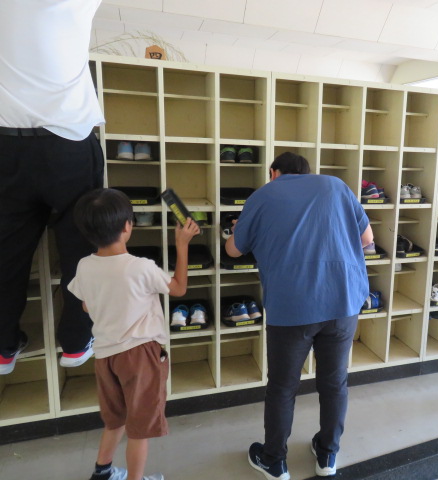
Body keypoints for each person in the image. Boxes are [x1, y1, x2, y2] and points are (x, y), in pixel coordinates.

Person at [225, 152, 373, 479]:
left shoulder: (263, 195)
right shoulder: (336, 186)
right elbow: (367, 240)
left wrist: (239, 231)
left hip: (292, 306)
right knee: (334, 382)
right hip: (343, 300)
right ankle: (327, 456)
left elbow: (234, 249)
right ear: (308, 172)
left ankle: (274, 460)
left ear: (273, 172)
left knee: (282, 386)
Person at [0, 0, 105, 374]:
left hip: (7, 144)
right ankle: (76, 343)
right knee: (81, 247)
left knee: (7, 253)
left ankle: (3, 348)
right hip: (67, 140)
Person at [68, 188, 200, 480]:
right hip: (140, 356)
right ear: (127, 226)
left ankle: (102, 471)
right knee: (140, 428)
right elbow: (178, 288)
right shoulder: (140, 267)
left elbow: (87, 305)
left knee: (115, 419)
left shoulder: (84, 266)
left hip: (105, 355)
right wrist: (182, 243)